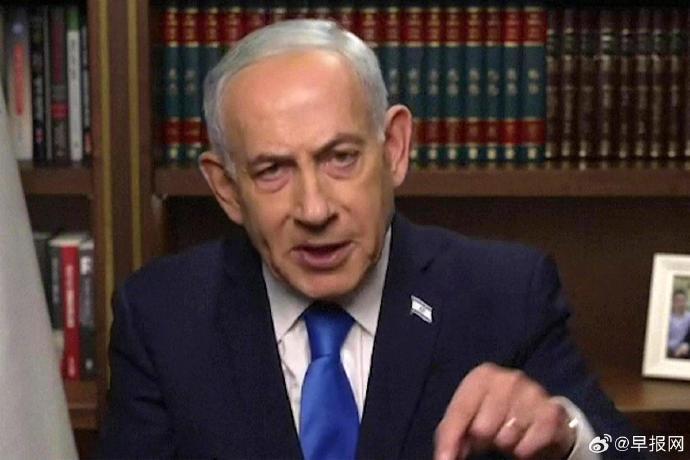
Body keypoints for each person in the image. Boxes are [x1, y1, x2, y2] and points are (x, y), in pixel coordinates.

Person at [98, 20, 642, 459]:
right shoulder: (160, 317)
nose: (315, 210)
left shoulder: (507, 292)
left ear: (395, 149)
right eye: (272, 170)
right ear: (226, 188)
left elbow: (648, 447)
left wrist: (568, 433)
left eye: (341, 158)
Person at [668, 289, 690, 359]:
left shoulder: (689, 317)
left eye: (683, 301)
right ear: (673, 302)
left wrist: (686, 345)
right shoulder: (667, 318)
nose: (681, 304)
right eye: (678, 301)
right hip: (669, 350)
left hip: (685, 350)